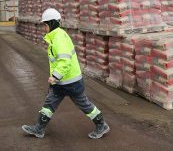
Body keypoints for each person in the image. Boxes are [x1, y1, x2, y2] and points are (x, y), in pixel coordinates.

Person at [21, 8, 110, 139]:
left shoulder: (59, 38)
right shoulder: (55, 37)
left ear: (51, 24)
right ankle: (38, 129)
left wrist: (55, 76)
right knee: (49, 104)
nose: (44, 28)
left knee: (85, 105)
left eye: (45, 25)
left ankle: (102, 125)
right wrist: (56, 79)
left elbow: (65, 60)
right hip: (60, 82)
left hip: (71, 82)